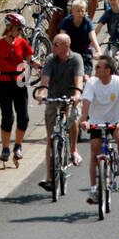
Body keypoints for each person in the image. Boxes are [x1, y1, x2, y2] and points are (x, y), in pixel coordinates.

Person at [35, 32, 85, 194]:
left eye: (56, 44)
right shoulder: (50, 59)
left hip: (70, 97)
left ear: (66, 46)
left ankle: (73, 150)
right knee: (51, 139)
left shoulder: (76, 58)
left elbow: (78, 79)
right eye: (53, 43)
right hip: (54, 98)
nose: (53, 46)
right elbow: (45, 80)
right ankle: (49, 178)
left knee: (72, 118)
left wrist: (77, 94)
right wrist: (42, 93)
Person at [79, 53, 119, 200]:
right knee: (94, 152)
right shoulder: (92, 83)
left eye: (99, 67)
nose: (95, 69)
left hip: (115, 121)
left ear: (108, 70)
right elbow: (86, 103)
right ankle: (93, 189)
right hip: (96, 121)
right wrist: (84, 120)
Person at [0, 14, 35, 167]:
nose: (20, 32)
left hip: (19, 82)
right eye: (18, 29)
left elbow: (30, 60)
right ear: (9, 28)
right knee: (7, 118)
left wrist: (40, 68)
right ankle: (5, 148)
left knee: (24, 117)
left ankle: (18, 146)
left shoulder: (22, 43)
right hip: (4, 83)